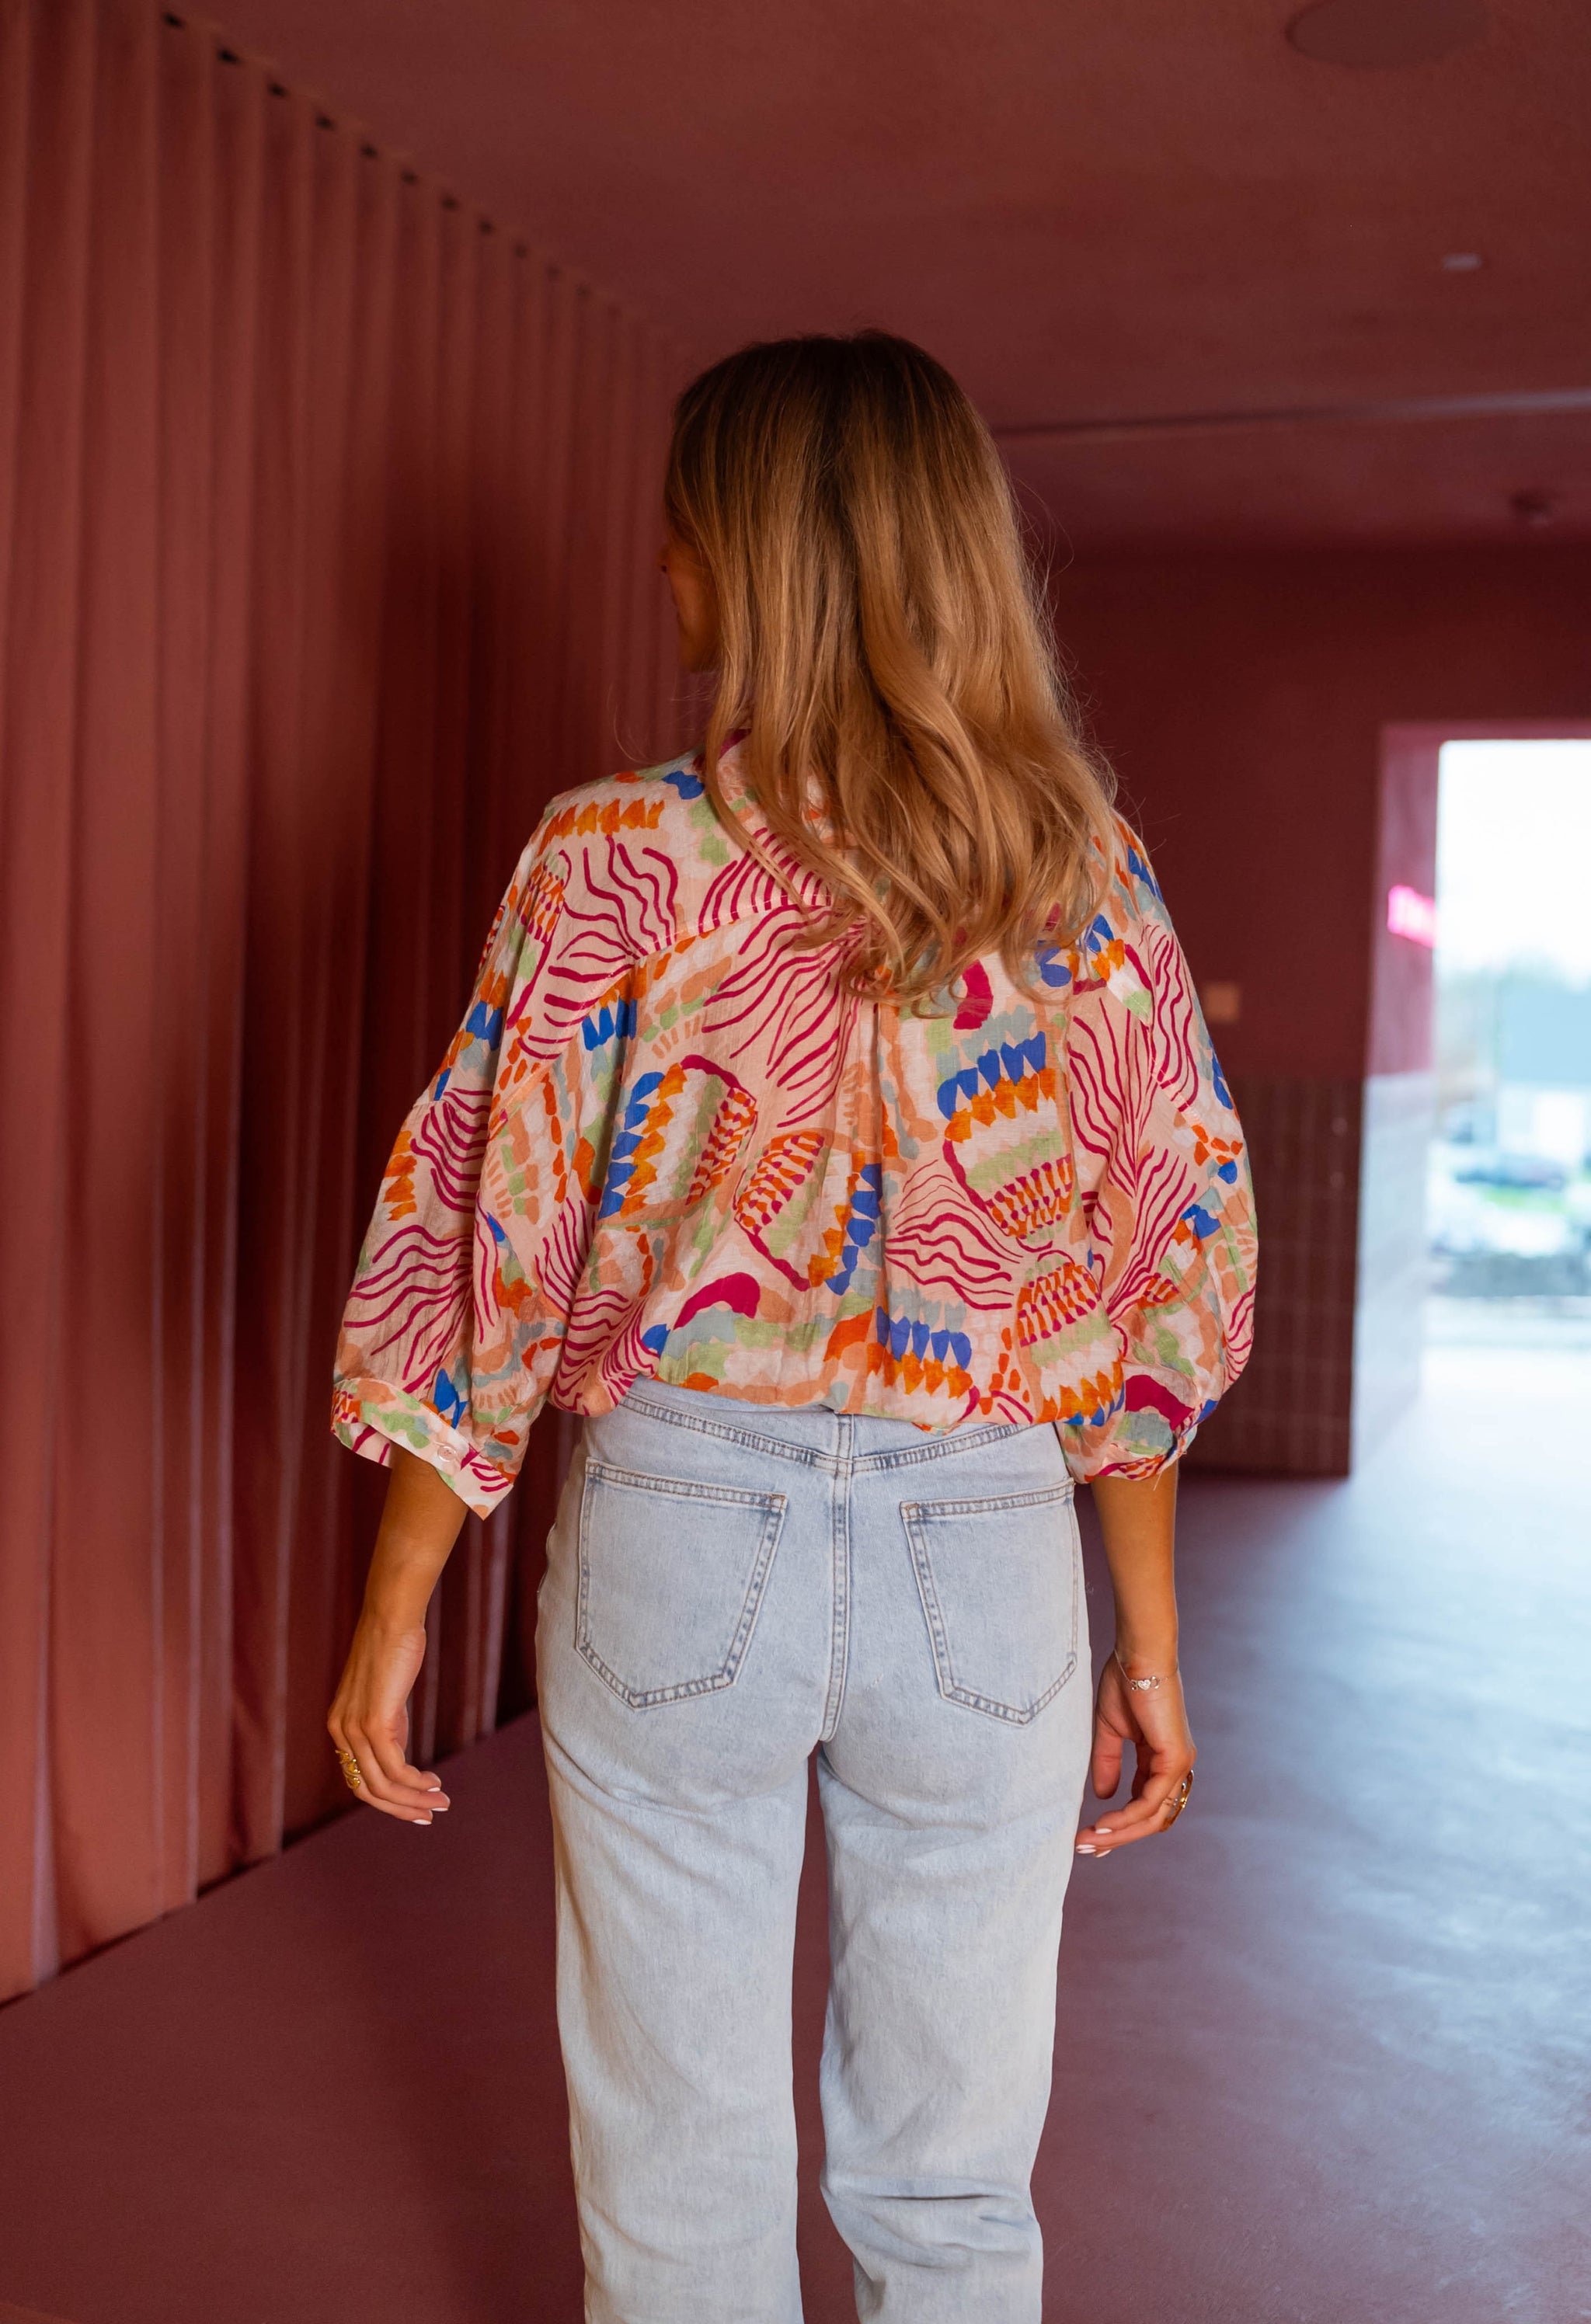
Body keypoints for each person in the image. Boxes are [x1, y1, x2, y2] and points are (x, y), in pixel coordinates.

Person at [327, 331, 1256, 2324]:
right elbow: (1150, 1279)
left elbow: (493, 1238)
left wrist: (401, 1595)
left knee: (676, 2171)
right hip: (986, 1534)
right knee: (954, 2181)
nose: (661, 563)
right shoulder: (1078, 871)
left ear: (750, 559)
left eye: (684, 528)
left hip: (682, 1519)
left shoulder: (614, 854)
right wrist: (1148, 1642)